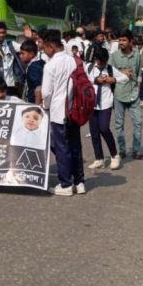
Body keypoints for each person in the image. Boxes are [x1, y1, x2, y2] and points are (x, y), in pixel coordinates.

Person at [40, 30, 85, 196]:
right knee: (76, 146)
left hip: (59, 112)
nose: (44, 50)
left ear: (51, 47)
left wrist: (46, 106)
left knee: (62, 148)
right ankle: (79, 182)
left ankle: (65, 184)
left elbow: (46, 92)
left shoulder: (50, 65)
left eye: (44, 47)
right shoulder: (74, 61)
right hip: (75, 109)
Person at [110, 30, 143, 165]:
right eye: (120, 40)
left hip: (133, 95)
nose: (121, 43)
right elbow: (108, 73)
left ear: (130, 41)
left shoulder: (137, 56)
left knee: (138, 122)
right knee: (119, 124)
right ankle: (122, 150)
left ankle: (136, 150)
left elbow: (139, 73)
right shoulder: (114, 56)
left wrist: (138, 87)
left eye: (124, 40)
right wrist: (122, 73)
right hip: (119, 94)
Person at [86, 47, 122, 169]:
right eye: (99, 61)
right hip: (92, 103)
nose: (101, 63)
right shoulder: (90, 68)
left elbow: (124, 78)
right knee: (94, 132)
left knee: (104, 129)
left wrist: (113, 79)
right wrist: (95, 80)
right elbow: (84, 80)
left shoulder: (110, 69)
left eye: (103, 61)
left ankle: (115, 155)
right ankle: (99, 158)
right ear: (95, 59)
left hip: (106, 103)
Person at [19, 39, 45, 104]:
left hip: (34, 102)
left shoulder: (33, 67)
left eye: (23, 54)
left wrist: (37, 106)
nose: (20, 56)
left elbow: (39, 87)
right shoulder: (40, 62)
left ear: (31, 54)